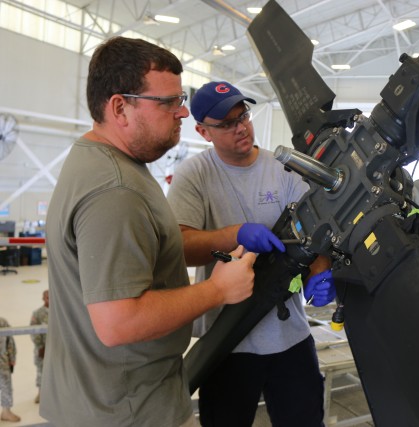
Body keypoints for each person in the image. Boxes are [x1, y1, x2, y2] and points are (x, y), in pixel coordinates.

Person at [41, 37, 256, 427]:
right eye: (169, 102)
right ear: (120, 107)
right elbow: (118, 321)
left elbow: (159, 252)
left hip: (111, 400)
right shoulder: (115, 189)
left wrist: (231, 235)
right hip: (128, 411)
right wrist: (217, 290)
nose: (182, 112)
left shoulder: (101, 160)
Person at [167, 81, 336, 426]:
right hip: (227, 341)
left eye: (242, 115)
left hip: (290, 336)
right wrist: (235, 235)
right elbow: (179, 247)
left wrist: (321, 270)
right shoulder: (195, 176)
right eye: (226, 124)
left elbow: (315, 231)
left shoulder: (286, 168)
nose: (241, 127)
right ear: (203, 131)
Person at [30, 289, 48, 404]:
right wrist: (40, 346)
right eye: (47, 297)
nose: (50, 300)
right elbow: (34, 331)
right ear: (43, 298)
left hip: (59, 349)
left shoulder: (60, 311)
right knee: (41, 371)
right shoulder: (37, 313)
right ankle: (41, 394)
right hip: (42, 349)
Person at [0, 317, 20, 422]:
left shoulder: (2, 322)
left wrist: (12, 358)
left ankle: (6, 412)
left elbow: (10, 341)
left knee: (6, 387)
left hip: (2, 362)